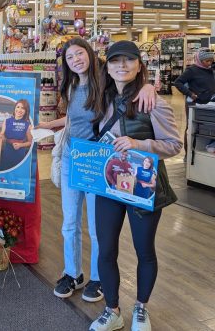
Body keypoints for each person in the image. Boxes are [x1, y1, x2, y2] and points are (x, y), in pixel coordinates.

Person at [35, 38, 156, 304]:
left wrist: (148, 85)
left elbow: (130, 85)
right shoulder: (71, 85)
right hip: (71, 157)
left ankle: (99, 278)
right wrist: (50, 124)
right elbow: (75, 118)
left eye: (80, 54)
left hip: (97, 160)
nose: (76, 59)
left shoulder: (105, 82)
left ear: (90, 54)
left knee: (98, 226)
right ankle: (72, 273)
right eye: (70, 57)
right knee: (69, 222)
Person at [89, 40, 182, 331]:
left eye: (129, 60)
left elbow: (174, 145)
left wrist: (138, 144)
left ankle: (141, 308)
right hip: (110, 184)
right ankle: (112, 310)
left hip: (144, 186)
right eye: (115, 61)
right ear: (108, 66)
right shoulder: (100, 100)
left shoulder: (152, 102)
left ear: (139, 65)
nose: (122, 66)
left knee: (144, 250)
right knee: (105, 250)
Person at [172, 48, 215, 157]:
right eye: (207, 61)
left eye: (211, 61)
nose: (209, 63)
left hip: (208, 103)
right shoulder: (192, 70)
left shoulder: (209, 70)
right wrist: (190, 94)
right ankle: (188, 155)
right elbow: (178, 82)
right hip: (194, 104)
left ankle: (201, 153)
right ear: (199, 60)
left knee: (205, 128)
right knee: (191, 128)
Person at [0, 99, 33, 169]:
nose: (19, 110)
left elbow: (30, 142)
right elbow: (3, 138)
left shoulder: (27, 124)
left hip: (19, 154)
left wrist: (21, 145)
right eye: (18, 107)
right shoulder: (7, 121)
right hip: (7, 152)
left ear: (26, 111)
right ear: (15, 108)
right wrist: (0, 134)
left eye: (23, 108)